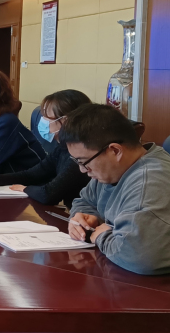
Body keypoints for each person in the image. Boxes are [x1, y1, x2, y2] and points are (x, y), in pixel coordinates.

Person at [65, 104, 170, 275]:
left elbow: (140, 257)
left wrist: (101, 236)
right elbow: (85, 200)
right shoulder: (112, 170)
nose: (82, 170)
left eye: (84, 162)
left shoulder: (149, 182)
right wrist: (84, 218)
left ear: (115, 150)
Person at [0, 89, 91, 206]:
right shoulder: (62, 148)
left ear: (66, 121)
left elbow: (48, 195)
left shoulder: (80, 155)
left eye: (47, 117)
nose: (43, 121)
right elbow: (31, 175)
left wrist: (25, 189)